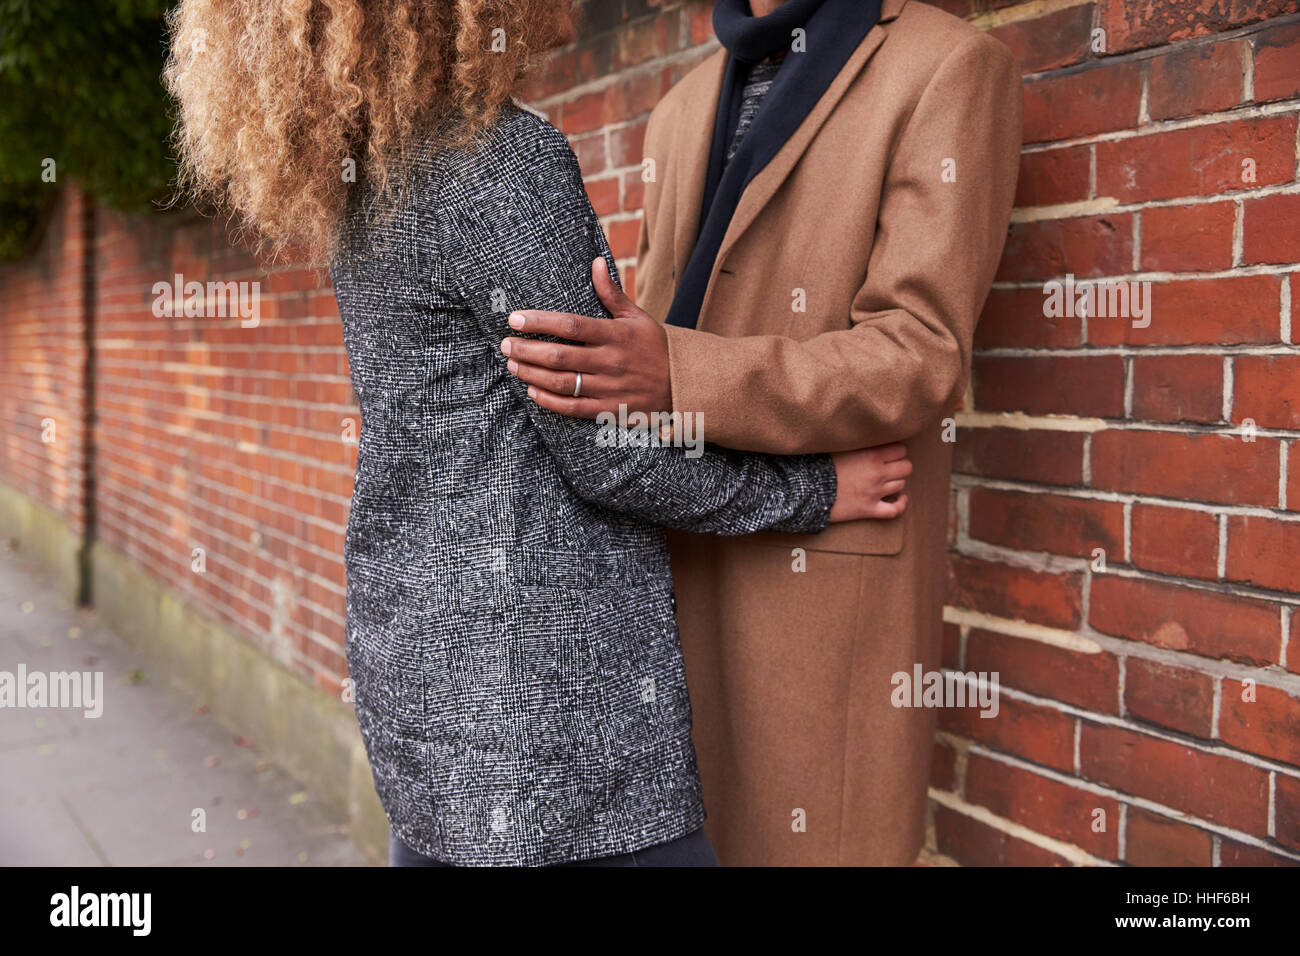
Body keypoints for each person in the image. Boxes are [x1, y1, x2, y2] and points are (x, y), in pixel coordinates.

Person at [163, 0, 911, 866]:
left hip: (426, 681)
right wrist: (814, 491)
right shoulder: (499, 162)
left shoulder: (374, 168)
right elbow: (610, 458)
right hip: (555, 719)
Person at [500, 0, 1023, 865]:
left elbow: (922, 354)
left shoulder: (951, 65)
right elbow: (651, 325)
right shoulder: (677, 106)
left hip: (825, 578)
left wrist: (682, 373)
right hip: (676, 548)